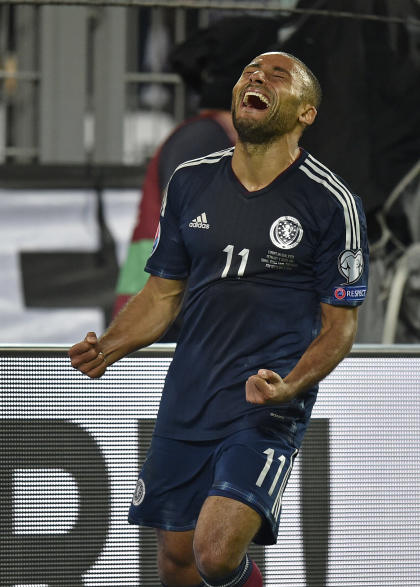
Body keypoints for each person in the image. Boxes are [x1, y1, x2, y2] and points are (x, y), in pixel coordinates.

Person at [69, 51, 369, 587]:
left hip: (265, 405)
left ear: (306, 112)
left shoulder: (330, 201)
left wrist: (290, 386)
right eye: (251, 71)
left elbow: (339, 328)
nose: (256, 76)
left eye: (277, 75)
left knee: (215, 551)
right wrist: (110, 344)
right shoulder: (189, 182)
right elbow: (162, 294)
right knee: (178, 561)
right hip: (190, 393)